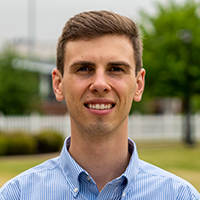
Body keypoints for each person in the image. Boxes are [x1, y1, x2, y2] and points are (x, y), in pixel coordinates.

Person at [0, 10, 199, 200]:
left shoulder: (179, 195)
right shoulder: (17, 195)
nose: (100, 84)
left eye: (116, 69)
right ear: (58, 84)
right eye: (84, 68)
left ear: (138, 85)